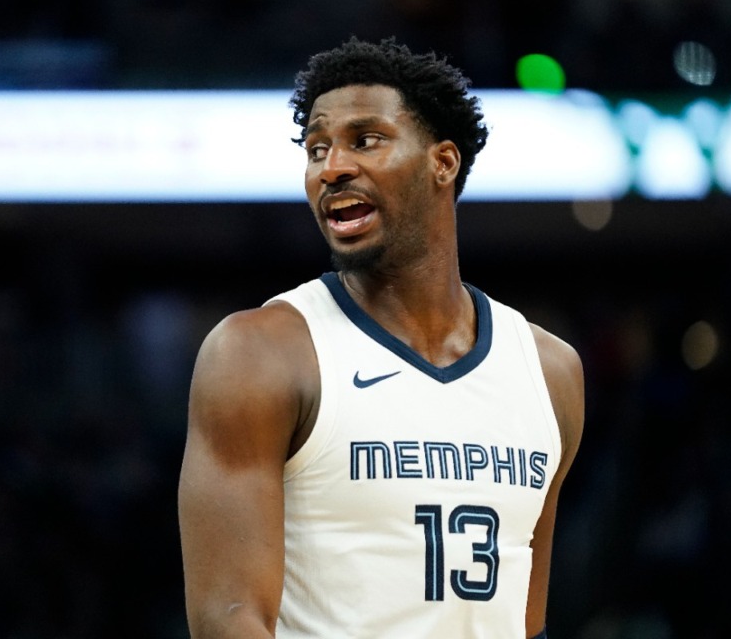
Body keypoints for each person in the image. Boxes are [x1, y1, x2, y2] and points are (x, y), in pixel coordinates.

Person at [178, 36, 584, 638]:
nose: (332, 167)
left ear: (442, 163)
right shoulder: (260, 353)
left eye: (365, 140)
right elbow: (228, 616)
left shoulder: (549, 370)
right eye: (317, 148)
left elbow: (526, 621)